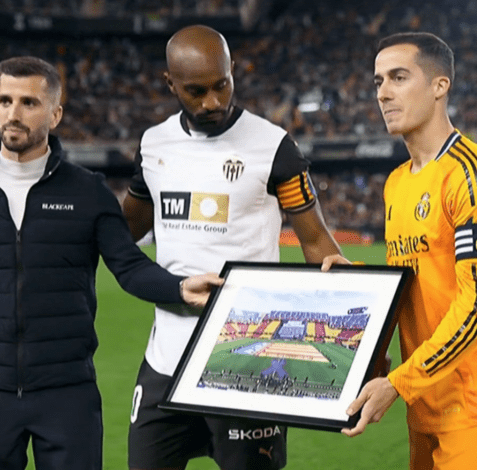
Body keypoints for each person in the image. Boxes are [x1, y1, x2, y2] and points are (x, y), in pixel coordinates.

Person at [0, 56, 222, 470]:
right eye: (4, 100)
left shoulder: (88, 192)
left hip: (67, 392)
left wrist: (178, 288)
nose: (13, 113)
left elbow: (128, 266)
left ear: (55, 113)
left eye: (28, 102)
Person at [121, 25, 341, 470]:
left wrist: (362, 333)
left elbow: (318, 243)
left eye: (222, 85)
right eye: (196, 91)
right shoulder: (154, 145)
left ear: (233, 71)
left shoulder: (274, 146)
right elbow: (126, 231)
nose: (213, 102)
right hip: (165, 360)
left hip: (246, 366)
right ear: (170, 84)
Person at [321, 32, 477, 469]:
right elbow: (414, 279)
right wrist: (357, 281)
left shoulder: (473, 176)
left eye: (399, 77)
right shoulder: (397, 182)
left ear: (440, 86)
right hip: (425, 403)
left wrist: (399, 382)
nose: (383, 92)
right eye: (378, 81)